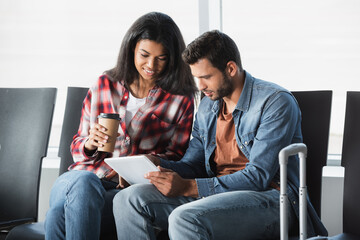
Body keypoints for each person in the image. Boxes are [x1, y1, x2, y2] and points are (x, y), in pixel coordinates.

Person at [112, 30, 328, 239]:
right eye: (197, 78)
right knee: (128, 199)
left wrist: (189, 187)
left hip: (272, 200)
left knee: (185, 218)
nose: (201, 86)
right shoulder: (208, 105)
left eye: (206, 77)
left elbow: (258, 177)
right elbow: (193, 165)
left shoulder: (275, 102)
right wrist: (155, 165)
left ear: (231, 69)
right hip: (215, 195)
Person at [44, 12, 197, 240]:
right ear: (131, 49)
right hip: (80, 177)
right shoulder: (104, 84)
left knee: (59, 214)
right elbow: (77, 149)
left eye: (161, 58)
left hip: (121, 189)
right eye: (144, 55)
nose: (151, 65)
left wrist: (137, 169)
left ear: (172, 58)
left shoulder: (180, 99)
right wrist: (89, 143)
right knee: (83, 184)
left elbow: (176, 157)